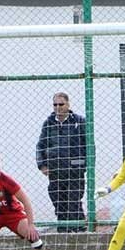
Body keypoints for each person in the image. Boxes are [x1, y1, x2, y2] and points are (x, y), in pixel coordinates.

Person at [35, 92, 86, 232]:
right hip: (56, 171)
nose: (58, 107)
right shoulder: (48, 123)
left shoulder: (79, 121)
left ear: (68, 104)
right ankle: (63, 233)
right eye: (55, 104)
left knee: (73, 202)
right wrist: (42, 165)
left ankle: (79, 231)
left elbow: (88, 145)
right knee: (59, 203)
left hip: (75, 170)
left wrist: (85, 164)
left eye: (61, 104)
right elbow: (40, 145)